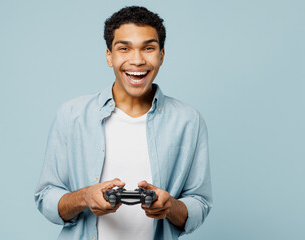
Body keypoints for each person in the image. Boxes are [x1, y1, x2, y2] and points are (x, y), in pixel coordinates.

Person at [34, 6, 212, 240]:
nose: (137, 60)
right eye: (124, 48)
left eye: (148, 48)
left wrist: (170, 206)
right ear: (109, 55)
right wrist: (85, 197)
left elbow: (200, 203)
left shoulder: (188, 121)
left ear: (161, 55)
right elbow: (46, 197)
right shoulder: (72, 116)